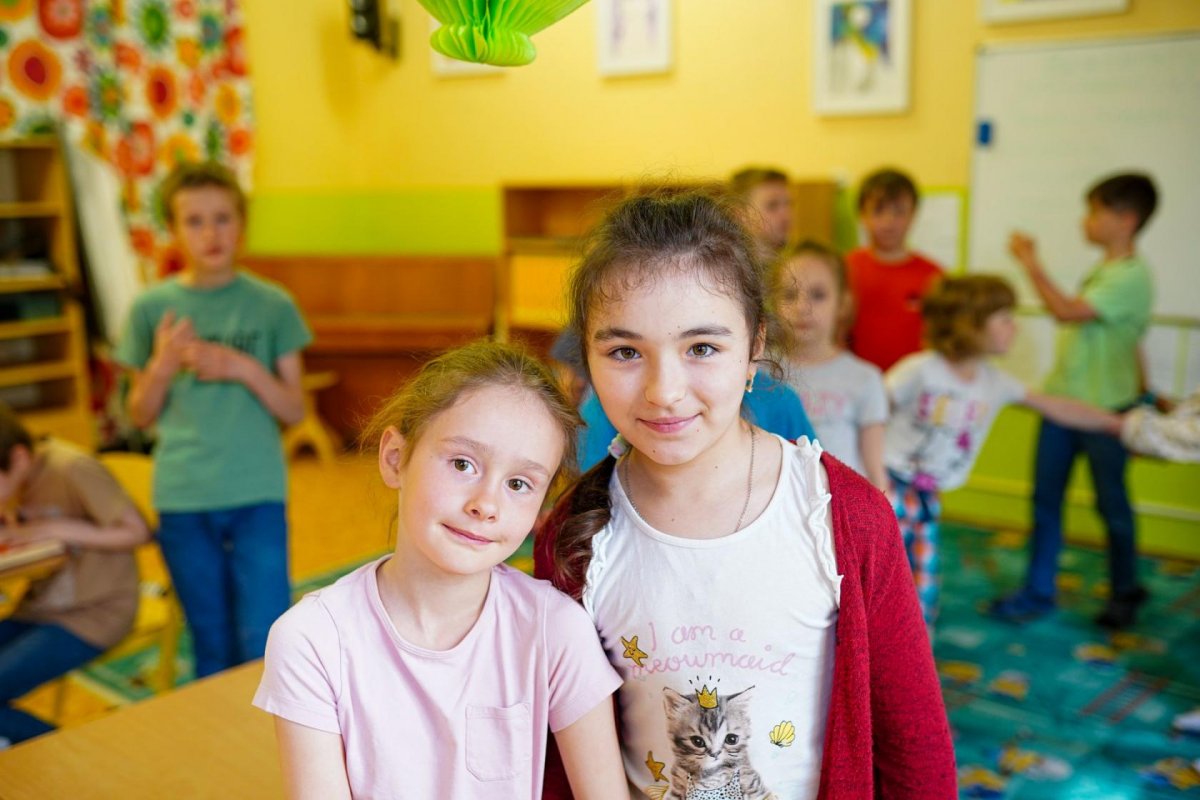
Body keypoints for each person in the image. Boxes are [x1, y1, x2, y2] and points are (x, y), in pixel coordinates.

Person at [535, 189, 957, 800]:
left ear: (756, 344)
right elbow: (558, 749)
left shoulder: (845, 518)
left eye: (702, 348)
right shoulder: (576, 536)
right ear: (588, 359)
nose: (664, 391)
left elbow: (913, 740)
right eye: (625, 352)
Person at [253, 341, 626, 799]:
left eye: (518, 483)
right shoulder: (312, 640)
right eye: (463, 464)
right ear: (395, 458)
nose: (486, 504)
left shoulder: (556, 631)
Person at [115, 161, 312, 677]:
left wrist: (241, 368)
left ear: (241, 224)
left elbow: (295, 409)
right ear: (173, 230)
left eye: (222, 218)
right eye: (195, 221)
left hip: (257, 492)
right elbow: (138, 416)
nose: (211, 234)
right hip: (183, 496)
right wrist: (162, 365)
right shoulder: (151, 309)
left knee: (264, 637)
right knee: (210, 637)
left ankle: (265, 730)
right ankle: (217, 730)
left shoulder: (273, 305)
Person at [885, 275, 1114, 628]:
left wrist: (1116, 423)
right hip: (887, 487)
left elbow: (1057, 406)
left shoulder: (994, 382)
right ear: (971, 324)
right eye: (1005, 318)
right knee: (878, 578)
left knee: (921, 585)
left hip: (928, 496)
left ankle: (914, 648)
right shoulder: (920, 370)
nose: (1014, 327)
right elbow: (869, 413)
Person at [990, 172, 1158, 629]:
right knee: (1045, 502)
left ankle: (1124, 590)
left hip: (1103, 413)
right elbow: (1129, 341)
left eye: (1095, 212)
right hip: (1063, 406)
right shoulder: (1105, 271)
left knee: (1112, 506)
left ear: (1126, 219)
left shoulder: (1131, 276)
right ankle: (1038, 591)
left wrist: (1030, 262)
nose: (1086, 221)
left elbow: (1065, 312)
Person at [0, 404, 148, 745]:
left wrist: (59, 528)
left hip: (94, 613)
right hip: (40, 608)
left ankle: (69, 757)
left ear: (19, 458)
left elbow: (137, 531)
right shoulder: (19, 480)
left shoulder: (71, 467)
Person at [772, 239, 889, 491]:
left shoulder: (865, 378)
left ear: (843, 304)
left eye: (818, 295)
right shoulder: (757, 371)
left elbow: (875, 471)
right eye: (789, 295)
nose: (802, 307)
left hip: (840, 505)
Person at [846, 167, 944, 372]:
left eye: (899, 212)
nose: (888, 221)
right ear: (862, 215)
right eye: (878, 210)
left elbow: (942, 337)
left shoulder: (934, 276)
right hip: (855, 380)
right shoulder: (844, 268)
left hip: (917, 383)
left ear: (913, 214)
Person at [730, 166, 794, 263]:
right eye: (772, 205)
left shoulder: (801, 263)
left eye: (789, 204)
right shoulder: (726, 267)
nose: (786, 215)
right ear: (741, 215)